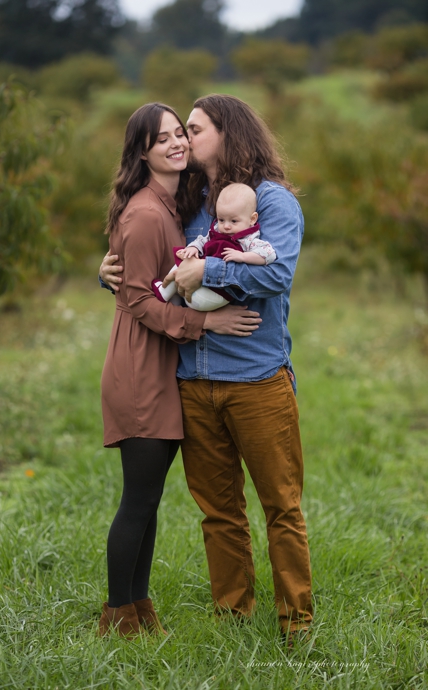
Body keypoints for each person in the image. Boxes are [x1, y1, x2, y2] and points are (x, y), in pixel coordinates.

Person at [100, 94, 312, 642]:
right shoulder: (193, 201)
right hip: (193, 381)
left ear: (228, 132)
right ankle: (232, 617)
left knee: (281, 507)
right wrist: (111, 276)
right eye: (178, 132)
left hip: (257, 380)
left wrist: (206, 271)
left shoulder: (272, 202)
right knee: (219, 514)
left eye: (193, 129)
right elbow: (151, 267)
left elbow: (276, 275)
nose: (185, 141)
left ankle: (296, 622)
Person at [97, 102, 250, 637]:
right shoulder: (145, 212)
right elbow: (138, 301)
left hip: (160, 365)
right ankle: (118, 617)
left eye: (180, 133)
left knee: (149, 498)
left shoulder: (169, 205)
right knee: (138, 498)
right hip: (142, 369)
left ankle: (138, 611)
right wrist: (208, 325)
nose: (177, 143)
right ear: (142, 151)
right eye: (162, 139)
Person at [155, 182, 273, 310]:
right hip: (198, 289)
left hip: (214, 294)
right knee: (185, 256)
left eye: (234, 221)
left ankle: (164, 291)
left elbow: (268, 254)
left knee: (183, 265)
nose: (226, 226)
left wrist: (243, 256)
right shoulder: (217, 230)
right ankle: (175, 298)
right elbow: (202, 240)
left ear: (252, 219)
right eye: (221, 219)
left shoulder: (249, 240)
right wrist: (194, 248)